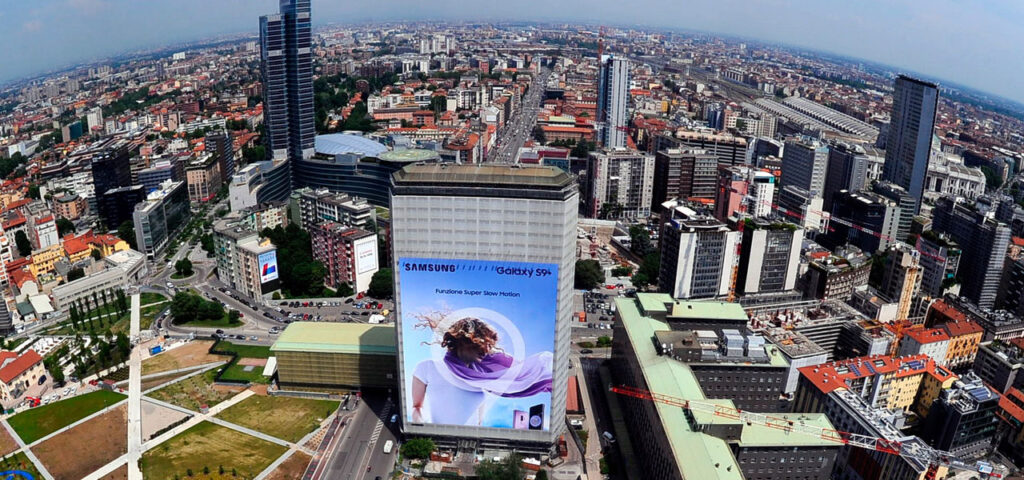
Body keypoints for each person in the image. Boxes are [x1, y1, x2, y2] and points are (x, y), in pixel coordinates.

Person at [411, 317, 552, 426]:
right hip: (437, 437)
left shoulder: (482, 380)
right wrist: (422, 430)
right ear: (462, 343)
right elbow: (417, 407)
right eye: (479, 345)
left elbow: (478, 422)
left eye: (488, 345)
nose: (485, 350)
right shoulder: (427, 367)